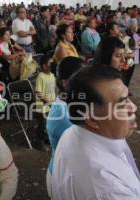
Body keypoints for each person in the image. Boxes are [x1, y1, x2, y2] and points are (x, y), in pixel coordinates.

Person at [51, 66, 140, 200]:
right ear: (91, 119)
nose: (133, 107)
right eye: (121, 104)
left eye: (128, 98)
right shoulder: (112, 191)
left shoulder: (72, 132)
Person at [45, 56, 83, 198]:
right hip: (63, 178)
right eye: (82, 79)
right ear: (66, 83)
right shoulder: (62, 116)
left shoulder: (73, 104)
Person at [34, 55, 56, 149]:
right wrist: (48, 102)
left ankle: (46, 138)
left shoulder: (52, 75)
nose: (52, 65)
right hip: (42, 107)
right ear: (44, 66)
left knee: (49, 123)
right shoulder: (40, 76)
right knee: (42, 125)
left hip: (51, 104)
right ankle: (39, 142)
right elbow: (39, 93)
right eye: (50, 63)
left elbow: (55, 89)